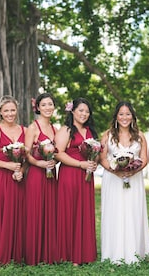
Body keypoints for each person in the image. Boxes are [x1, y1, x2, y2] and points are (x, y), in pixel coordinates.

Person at [99, 101, 149, 264]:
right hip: (113, 179)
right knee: (114, 212)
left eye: (128, 114)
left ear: (133, 116)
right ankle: (113, 252)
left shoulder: (140, 135)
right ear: (116, 116)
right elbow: (102, 158)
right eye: (121, 114)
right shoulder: (107, 135)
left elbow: (144, 159)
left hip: (134, 179)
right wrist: (115, 170)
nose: (124, 117)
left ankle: (135, 251)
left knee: (132, 211)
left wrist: (133, 170)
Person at [55, 97, 98, 265]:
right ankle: (68, 253)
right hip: (70, 174)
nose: (84, 114)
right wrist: (80, 163)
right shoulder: (66, 130)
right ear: (72, 111)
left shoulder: (90, 131)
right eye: (81, 110)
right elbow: (58, 153)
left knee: (84, 211)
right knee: (70, 211)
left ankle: (85, 252)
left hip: (86, 176)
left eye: (87, 111)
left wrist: (93, 162)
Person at [0, 95, 27, 265]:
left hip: (18, 179)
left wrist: (21, 171)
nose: (10, 114)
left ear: (17, 110)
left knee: (17, 214)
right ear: (0, 112)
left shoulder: (24, 130)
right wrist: (8, 166)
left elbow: (27, 159)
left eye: (12, 110)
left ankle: (15, 254)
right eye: (6, 111)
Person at [24, 93, 58, 265]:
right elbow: (26, 153)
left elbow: (59, 153)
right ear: (37, 107)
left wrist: (54, 160)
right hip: (37, 175)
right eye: (44, 105)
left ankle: (48, 254)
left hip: (51, 176)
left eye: (50, 104)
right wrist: (39, 163)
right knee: (36, 211)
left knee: (50, 211)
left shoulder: (55, 129)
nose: (47, 108)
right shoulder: (33, 127)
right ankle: (33, 255)